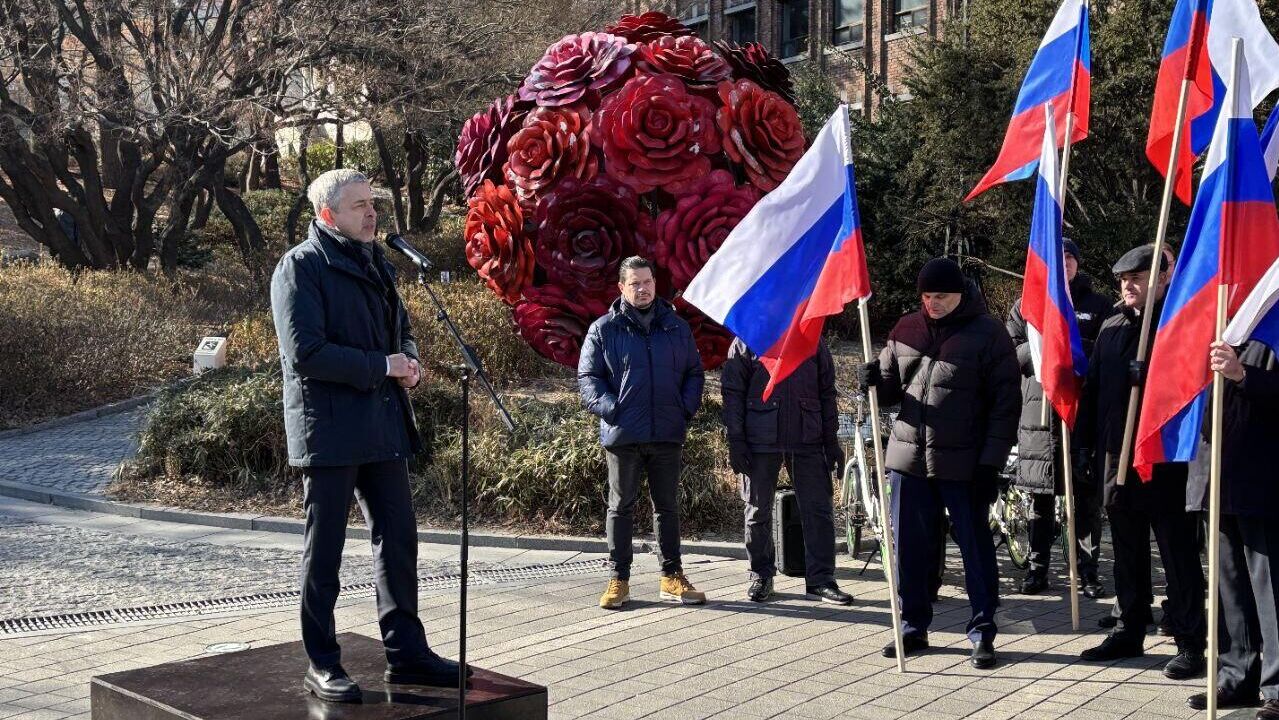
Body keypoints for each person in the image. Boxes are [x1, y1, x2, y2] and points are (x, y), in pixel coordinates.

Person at [270, 169, 464, 703]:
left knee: (399, 540)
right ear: (328, 214)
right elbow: (305, 353)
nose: (372, 213)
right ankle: (322, 661)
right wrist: (383, 365)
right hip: (328, 430)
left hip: (382, 424)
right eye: (359, 206)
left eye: (373, 203)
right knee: (324, 551)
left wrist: (411, 363)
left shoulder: (378, 260)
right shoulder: (300, 268)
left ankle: (407, 654)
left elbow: (398, 331)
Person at [859, 257, 1020, 669]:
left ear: (961, 295)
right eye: (927, 296)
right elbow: (892, 389)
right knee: (909, 550)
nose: (932, 303)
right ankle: (913, 627)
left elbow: (1006, 406)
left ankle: (982, 631)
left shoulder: (989, 335)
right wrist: (873, 381)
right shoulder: (905, 329)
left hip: (965, 465)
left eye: (941, 297)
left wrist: (991, 464)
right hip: (909, 460)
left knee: (975, 551)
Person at [1075, 244, 1207, 680]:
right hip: (1118, 456)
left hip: (1167, 458)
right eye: (1123, 280)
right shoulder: (1112, 325)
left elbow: (1193, 384)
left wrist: (1148, 374)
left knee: (1177, 552)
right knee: (1126, 551)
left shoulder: (1180, 322)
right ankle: (1130, 628)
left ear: (1163, 278)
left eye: (1137, 278)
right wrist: (1084, 449)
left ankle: (1190, 640)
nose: (1127, 286)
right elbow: (1092, 394)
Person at [578, 256, 707, 610]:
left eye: (648, 281)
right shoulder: (604, 329)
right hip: (624, 434)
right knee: (620, 507)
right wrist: (613, 409)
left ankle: (671, 577)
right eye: (635, 283)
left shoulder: (676, 327)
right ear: (621, 287)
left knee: (668, 508)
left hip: (667, 431)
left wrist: (684, 409)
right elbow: (588, 379)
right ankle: (619, 579)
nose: (643, 288)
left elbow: (695, 373)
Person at [1005, 238, 1114, 597]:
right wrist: (1043, 346)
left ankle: (1088, 573)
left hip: (1081, 418)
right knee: (1040, 501)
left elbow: (1107, 355)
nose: (1064, 263)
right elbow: (1011, 357)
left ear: (1077, 264)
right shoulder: (1025, 306)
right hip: (1038, 419)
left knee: (1085, 503)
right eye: (1058, 258)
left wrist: (1073, 347)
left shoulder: (1099, 306)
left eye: (1070, 257)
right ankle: (1037, 571)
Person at [1183, 339, 1279, 716]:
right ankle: (1236, 676)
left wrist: (1243, 375)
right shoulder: (1207, 318)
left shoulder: (1269, 317)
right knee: (1229, 589)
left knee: (1270, 589)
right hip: (1214, 475)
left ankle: (1276, 688)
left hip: (1262, 478)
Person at [720, 336, 852, 605]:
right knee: (757, 510)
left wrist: (831, 440)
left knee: (819, 511)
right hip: (760, 438)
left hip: (808, 436)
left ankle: (821, 580)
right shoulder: (748, 337)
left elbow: (827, 391)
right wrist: (736, 440)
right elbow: (732, 393)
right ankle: (761, 575)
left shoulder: (812, 336)